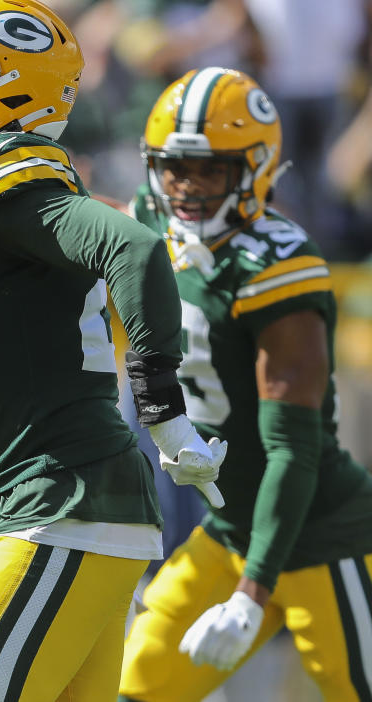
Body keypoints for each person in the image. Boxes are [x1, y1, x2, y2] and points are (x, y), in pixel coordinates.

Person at [0, 1, 226, 700]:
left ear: (7, 89)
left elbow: (132, 247)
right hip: (70, 504)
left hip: (61, 503)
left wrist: (162, 409)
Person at [115, 66, 372, 702]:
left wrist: (253, 593)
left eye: (210, 170)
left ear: (254, 169)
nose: (187, 187)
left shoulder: (276, 268)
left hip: (318, 535)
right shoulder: (156, 214)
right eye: (174, 167)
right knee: (134, 685)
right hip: (231, 531)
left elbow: (294, 448)